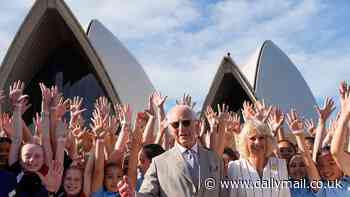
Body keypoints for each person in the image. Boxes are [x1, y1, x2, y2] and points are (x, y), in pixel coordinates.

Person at [118, 104, 225, 197]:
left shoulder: (214, 159)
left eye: (186, 123)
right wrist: (134, 195)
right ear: (170, 130)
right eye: (175, 125)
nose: (181, 129)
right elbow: (147, 194)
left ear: (196, 125)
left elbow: (223, 193)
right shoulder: (158, 163)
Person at [227, 118, 291, 197]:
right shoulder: (235, 167)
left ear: (267, 141)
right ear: (245, 142)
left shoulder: (280, 165)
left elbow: (286, 195)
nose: (257, 142)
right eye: (252, 138)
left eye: (261, 138)